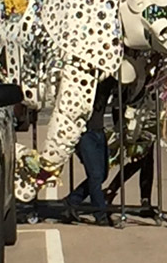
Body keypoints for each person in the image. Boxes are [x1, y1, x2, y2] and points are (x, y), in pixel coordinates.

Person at [62, 76, 117, 226]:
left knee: (102, 174)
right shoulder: (81, 79)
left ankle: (72, 201)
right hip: (84, 132)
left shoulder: (107, 80)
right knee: (95, 175)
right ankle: (100, 213)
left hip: (99, 131)